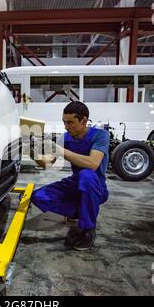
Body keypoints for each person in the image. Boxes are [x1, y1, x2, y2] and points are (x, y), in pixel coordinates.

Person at [30, 101, 110, 251]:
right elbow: (47, 164)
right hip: (75, 182)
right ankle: (80, 211)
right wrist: (33, 150)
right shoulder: (64, 138)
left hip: (95, 185)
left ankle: (88, 229)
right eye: (64, 122)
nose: (66, 126)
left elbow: (93, 164)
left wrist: (60, 151)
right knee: (38, 196)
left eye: (70, 122)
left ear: (84, 121)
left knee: (87, 175)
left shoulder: (101, 135)